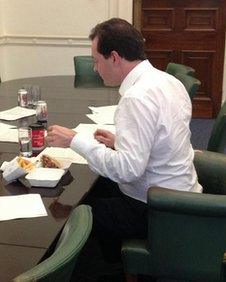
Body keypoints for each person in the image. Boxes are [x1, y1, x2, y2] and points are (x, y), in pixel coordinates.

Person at [46, 18, 202, 281]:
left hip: (158, 209)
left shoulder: (137, 98)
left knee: (77, 215)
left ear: (114, 57)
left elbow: (128, 170)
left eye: (96, 60)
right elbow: (165, 139)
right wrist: (122, 141)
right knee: (95, 189)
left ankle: (109, 271)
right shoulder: (166, 81)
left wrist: (75, 140)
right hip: (180, 192)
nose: (95, 68)